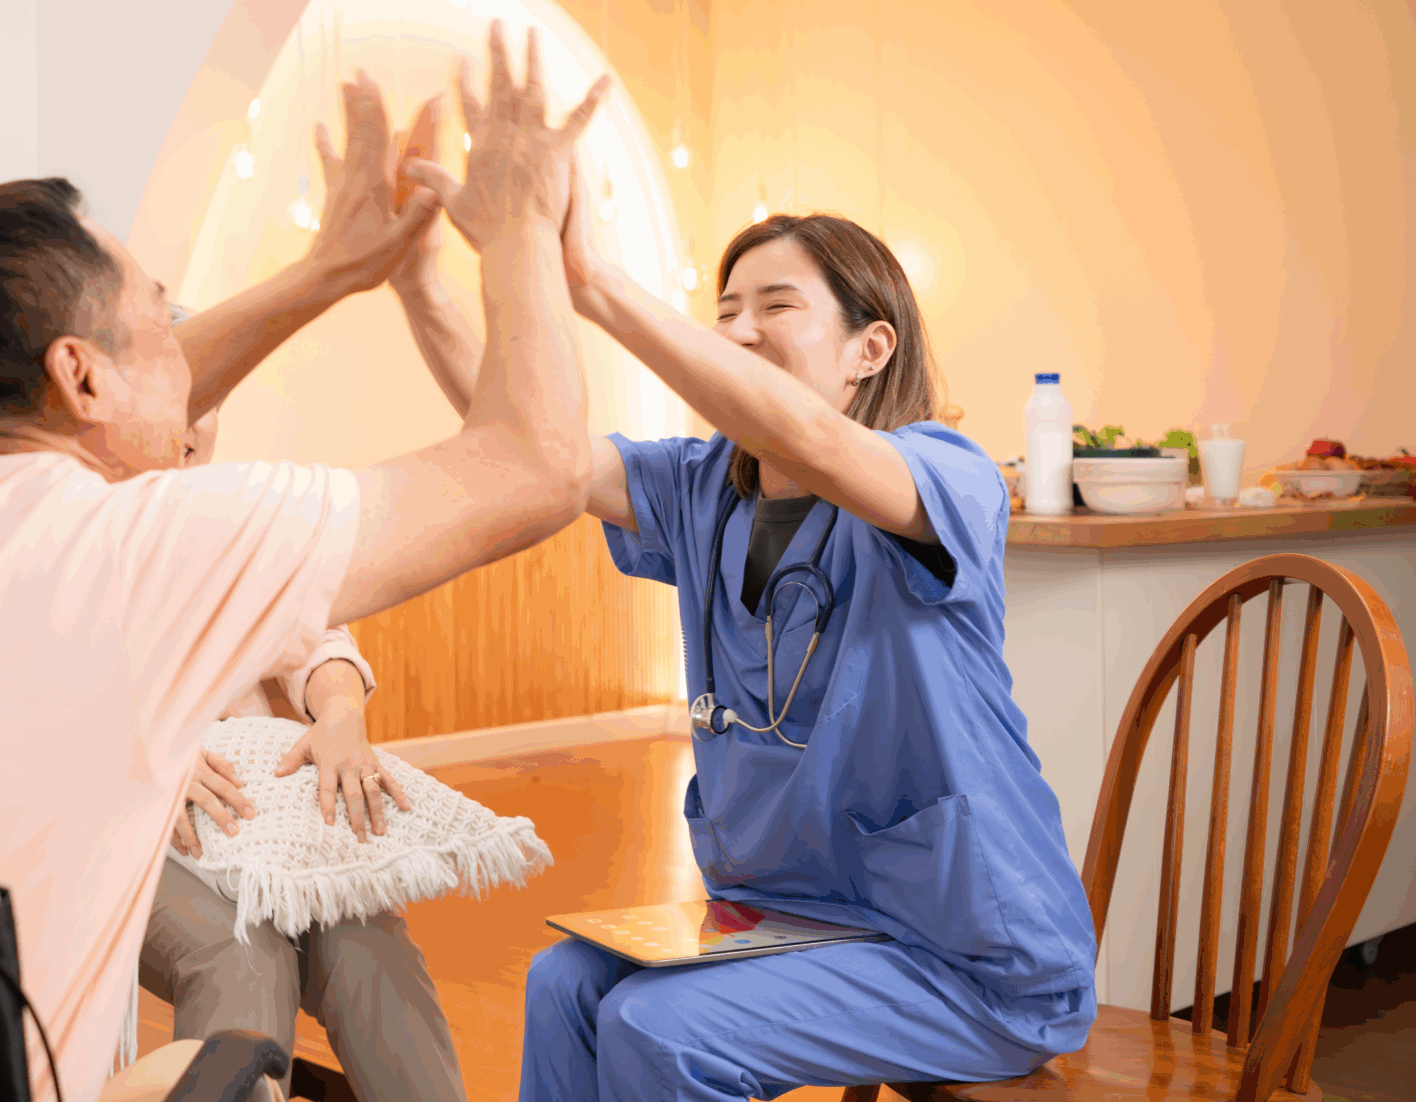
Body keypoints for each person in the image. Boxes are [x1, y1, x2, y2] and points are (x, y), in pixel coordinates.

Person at [0, 30, 609, 1099]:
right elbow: (539, 466)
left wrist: (328, 274)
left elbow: (88, 419)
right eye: (158, 324)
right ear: (81, 376)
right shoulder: (136, 545)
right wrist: (518, 222)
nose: (184, 359)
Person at [393, 147, 1097, 1097]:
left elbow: (808, 436)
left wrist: (594, 282)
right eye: (725, 310)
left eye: (775, 306)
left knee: (659, 1027)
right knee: (564, 984)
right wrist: (418, 282)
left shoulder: (946, 476)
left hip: (965, 953)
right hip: (796, 915)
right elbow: (531, 441)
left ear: (870, 350)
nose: (738, 331)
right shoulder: (702, 491)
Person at [143, 406, 465, 1102]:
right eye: (175, 398)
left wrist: (341, 710)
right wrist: (139, 753)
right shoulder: (59, 530)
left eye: (206, 405)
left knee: (370, 946)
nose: (188, 426)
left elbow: (315, 637)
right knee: (241, 953)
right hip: (129, 833)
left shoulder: (231, 517)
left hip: (252, 821)